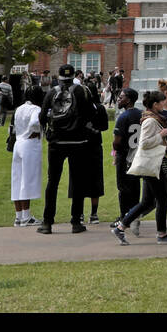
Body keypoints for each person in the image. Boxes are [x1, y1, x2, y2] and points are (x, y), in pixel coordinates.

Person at [111, 90, 167, 244]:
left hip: (152, 165)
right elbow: (144, 143)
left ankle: (121, 227)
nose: (165, 104)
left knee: (147, 202)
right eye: (162, 102)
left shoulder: (153, 118)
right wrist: (161, 135)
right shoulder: (150, 120)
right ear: (155, 104)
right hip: (152, 166)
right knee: (161, 200)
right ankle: (162, 234)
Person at [37, 63, 96, 234]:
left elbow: (42, 116)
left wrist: (49, 128)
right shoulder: (82, 90)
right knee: (77, 182)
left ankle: (47, 222)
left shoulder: (51, 92)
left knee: (52, 182)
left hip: (57, 142)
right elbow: (91, 113)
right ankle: (76, 221)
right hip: (78, 141)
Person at [72, 72, 109, 224]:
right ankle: (93, 214)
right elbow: (105, 126)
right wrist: (95, 128)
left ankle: (79, 213)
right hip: (94, 146)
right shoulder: (99, 108)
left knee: (78, 180)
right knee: (95, 179)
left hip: (80, 146)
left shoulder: (78, 108)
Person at [10, 85, 44, 226]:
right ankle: (26, 216)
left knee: (17, 179)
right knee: (27, 180)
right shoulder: (36, 109)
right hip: (29, 144)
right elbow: (36, 122)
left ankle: (18, 216)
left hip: (18, 144)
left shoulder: (19, 108)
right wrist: (34, 130)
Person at [111, 88, 143, 237]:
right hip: (137, 156)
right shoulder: (140, 114)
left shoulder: (123, 117)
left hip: (125, 157)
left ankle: (124, 217)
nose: (118, 99)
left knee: (123, 188)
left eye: (121, 97)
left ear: (129, 100)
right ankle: (134, 215)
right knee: (135, 187)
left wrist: (116, 151)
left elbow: (117, 141)